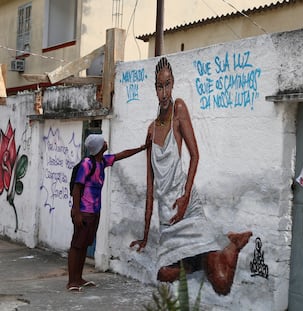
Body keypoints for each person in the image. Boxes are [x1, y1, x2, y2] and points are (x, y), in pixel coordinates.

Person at [129, 57, 252, 296]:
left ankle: (230, 245)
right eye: (158, 86)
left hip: (186, 207)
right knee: (163, 273)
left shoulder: (179, 110)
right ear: (154, 88)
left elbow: (195, 156)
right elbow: (150, 186)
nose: (163, 92)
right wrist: (145, 235)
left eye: (167, 84)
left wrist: (185, 197)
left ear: (172, 84)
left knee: (222, 286)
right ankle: (206, 253)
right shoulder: (151, 131)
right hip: (167, 218)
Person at [67, 134, 147, 291]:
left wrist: (142, 148)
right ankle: (72, 281)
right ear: (98, 147)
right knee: (77, 245)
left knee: (84, 245)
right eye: (103, 142)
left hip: (94, 212)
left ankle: (79, 278)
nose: (106, 143)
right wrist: (76, 211)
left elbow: (121, 155)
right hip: (84, 212)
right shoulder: (87, 164)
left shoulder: (102, 162)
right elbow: (77, 188)